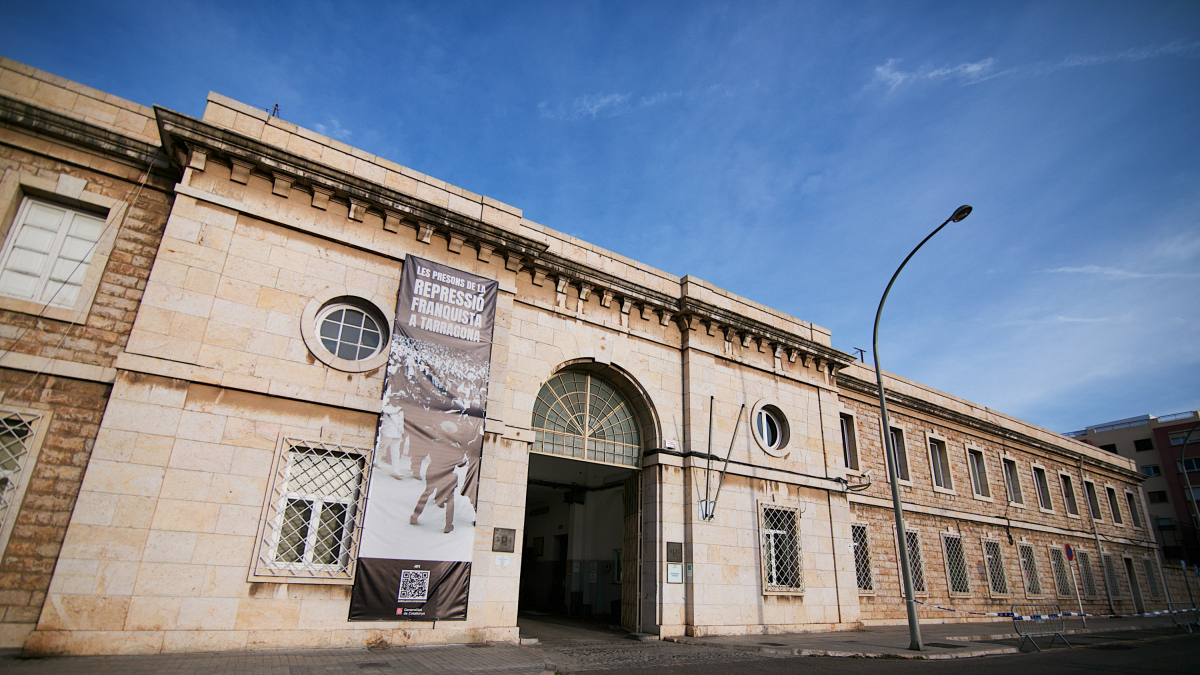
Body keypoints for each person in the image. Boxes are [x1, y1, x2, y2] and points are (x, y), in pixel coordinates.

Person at [411, 444, 466, 534]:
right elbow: (461, 464)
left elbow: (430, 454)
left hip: (433, 470)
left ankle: (415, 516)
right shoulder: (457, 447)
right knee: (450, 499)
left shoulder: (438, 442)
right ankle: (448, 525)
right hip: (447, 474)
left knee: (427, 493)